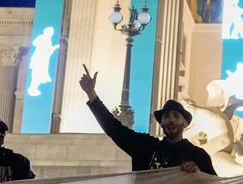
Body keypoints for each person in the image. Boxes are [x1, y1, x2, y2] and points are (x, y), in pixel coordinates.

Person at [79, 65, 216, 174]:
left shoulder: (198, 156)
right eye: (166, 116)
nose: (171, 120)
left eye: (176, 115)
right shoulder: (145, 146)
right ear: (161, 122)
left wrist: (198, 173)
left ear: (185, 123)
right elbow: (114, 129)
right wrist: (91, 93)